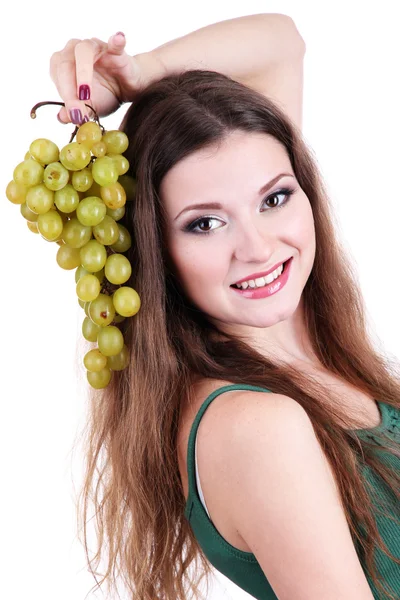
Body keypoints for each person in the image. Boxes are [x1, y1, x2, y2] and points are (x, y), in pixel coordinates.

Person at [50, 14, 400, 600]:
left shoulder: (307, 351)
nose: (258, 248)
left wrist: (136, 75)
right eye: (205, 223)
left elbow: (282, 42)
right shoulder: (258, 427)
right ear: (155, 251)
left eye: (275, 198)